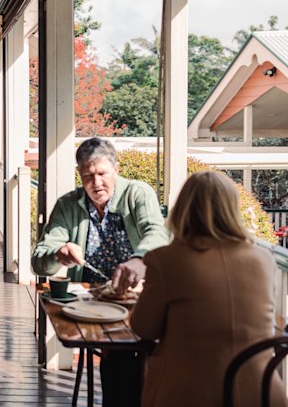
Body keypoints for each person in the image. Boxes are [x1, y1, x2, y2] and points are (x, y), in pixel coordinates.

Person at [32, 137, 170, 407]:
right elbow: (39, 262)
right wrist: (59, 253)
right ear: (80, 175)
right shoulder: (68, 205)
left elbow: (156, 232)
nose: (96, 183)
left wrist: (139, 260)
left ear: (116, 169)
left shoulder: (138, 193)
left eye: (102, 174)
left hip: (138, 297)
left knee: (139, 352)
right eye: (88, 176)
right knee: (122, 355)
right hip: (93, 305)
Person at [131, 171, 287, 407]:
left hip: (189, 394)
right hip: (262, 393)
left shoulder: (164, 260)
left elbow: (144, 328)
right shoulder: (264, 258)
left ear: (183, 209)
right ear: (232, 209)